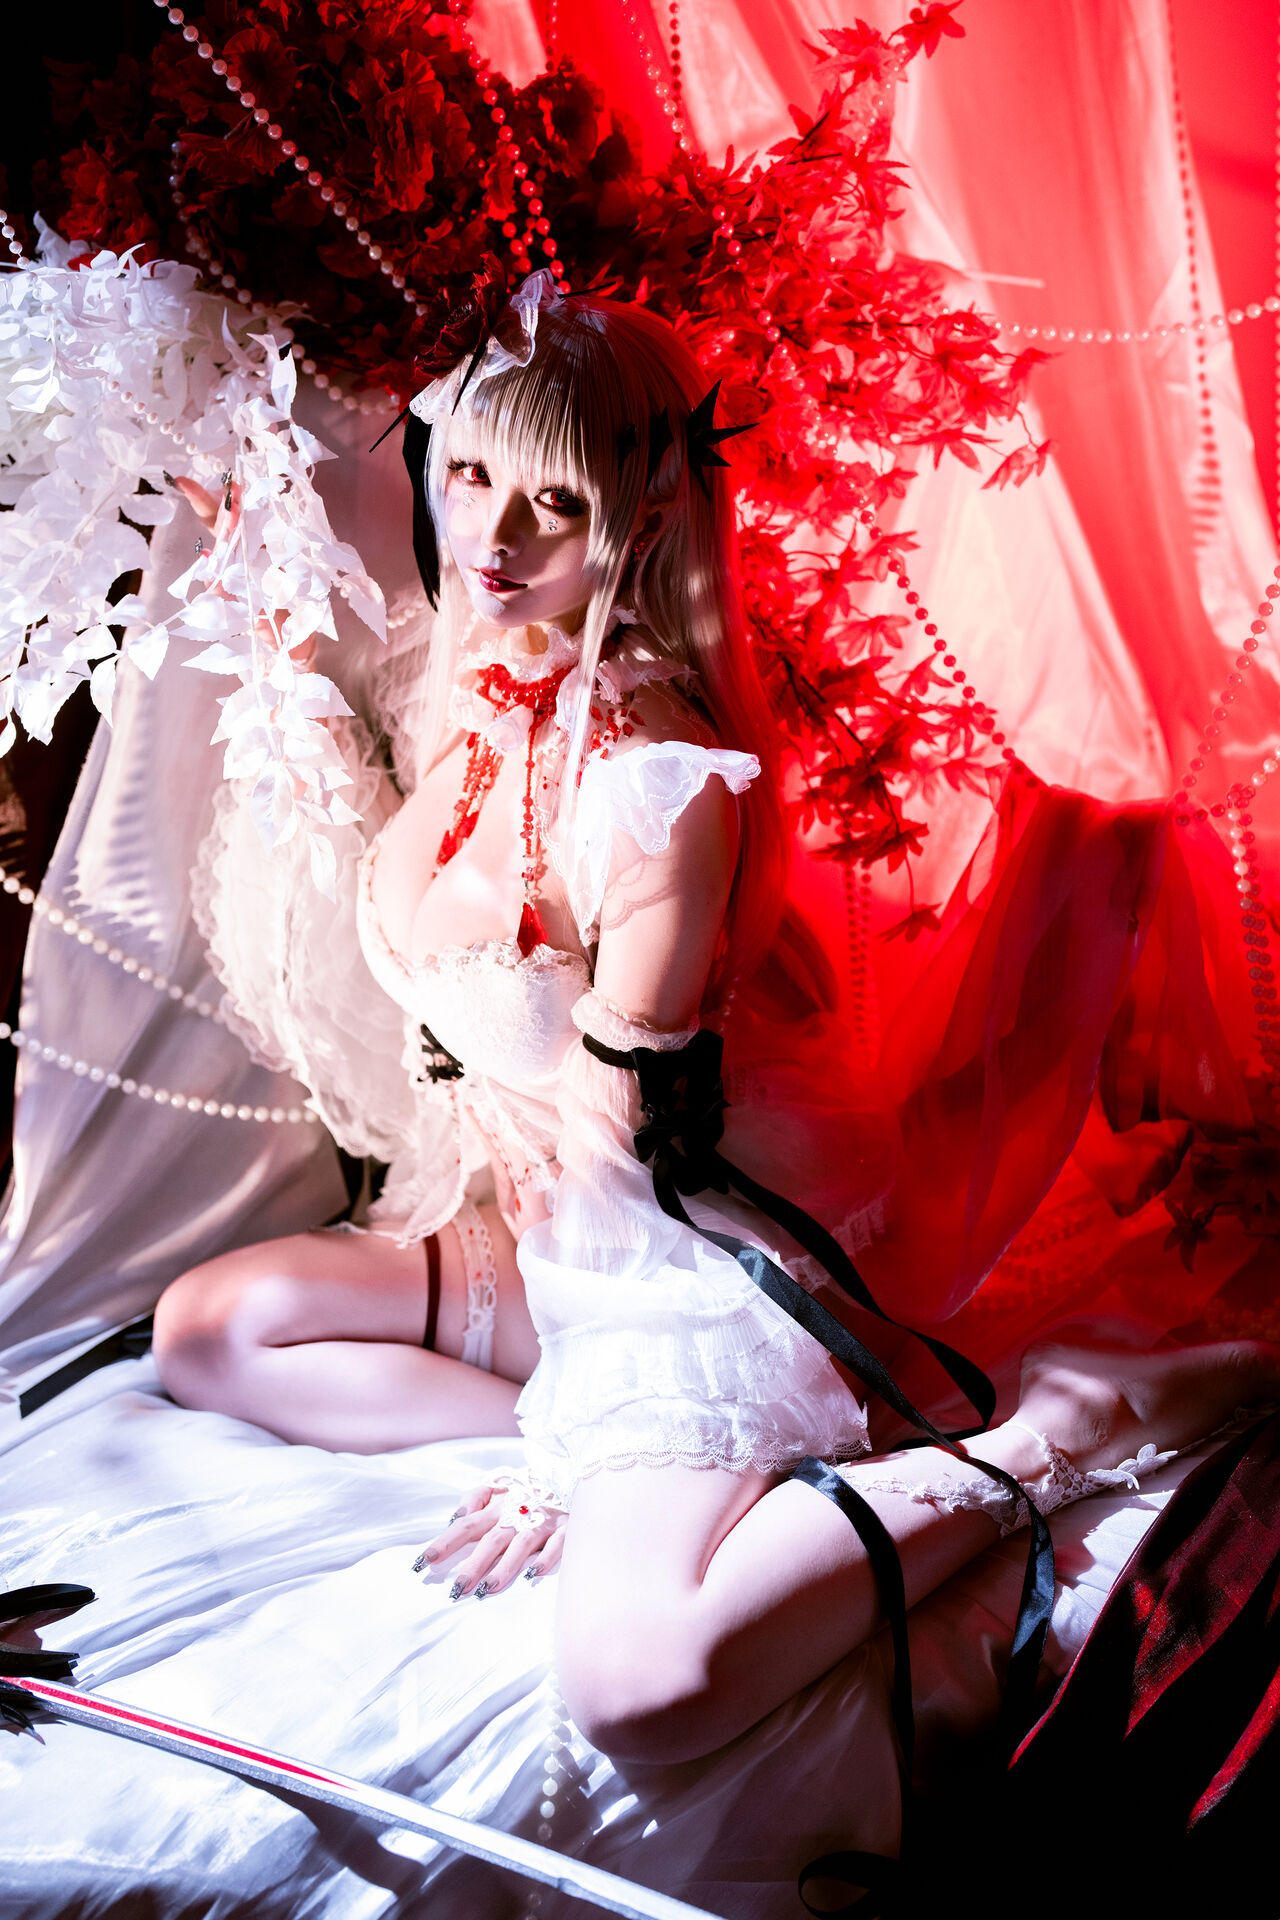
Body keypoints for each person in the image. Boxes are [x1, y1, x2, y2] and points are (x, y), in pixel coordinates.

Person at [152, 272, 1279, 1768]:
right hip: (552, 1239)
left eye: (554, 503)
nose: (494, 537)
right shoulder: (481, 677)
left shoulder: (655, 787)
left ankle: (1058, 1428)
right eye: (470, 475)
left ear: (640, 516)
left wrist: (578, 1450)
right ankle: (626, 1465)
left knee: (644, 1690)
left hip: (692, 1262)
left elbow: (633, 1162)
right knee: (210, 1329)